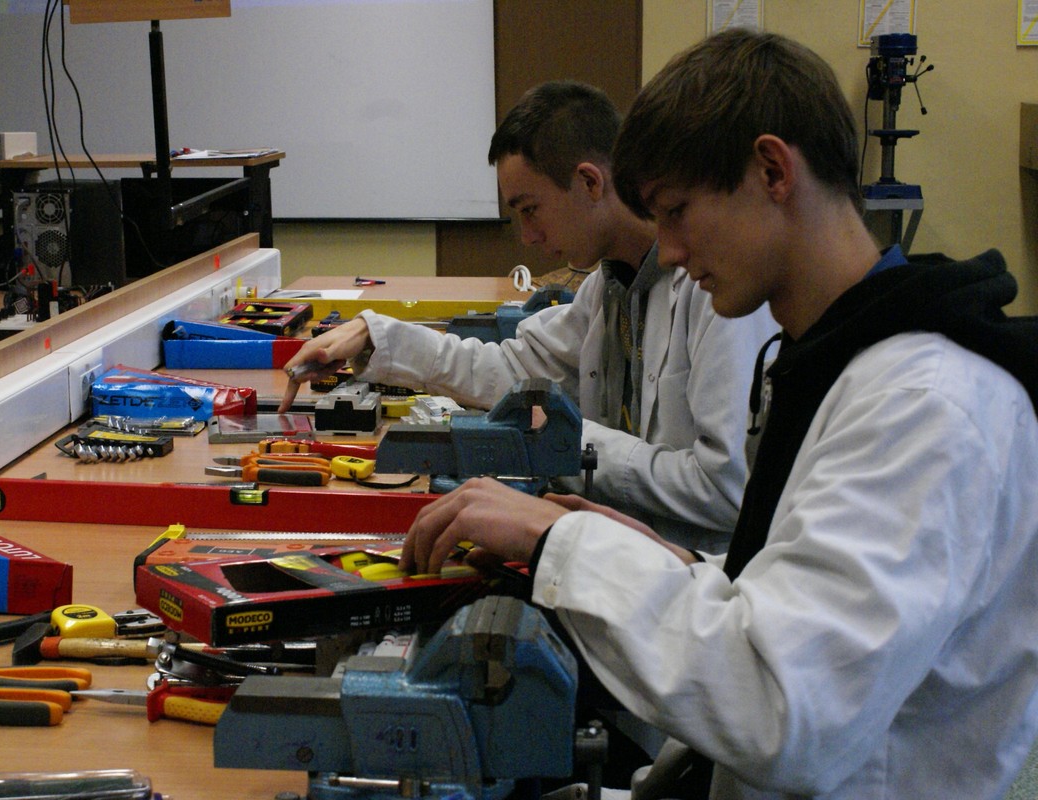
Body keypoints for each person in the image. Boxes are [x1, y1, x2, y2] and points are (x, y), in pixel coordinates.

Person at [401, 29, 1038, 800]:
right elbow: (793, 599)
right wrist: (661, 558)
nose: (668, 252)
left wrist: (561, 543)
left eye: (677, 211)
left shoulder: (925, 409)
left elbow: (783, 705)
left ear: (773, 171)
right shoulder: (836, 360)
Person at [280, 80, 779, 552]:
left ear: (589, 182)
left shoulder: (717, 295)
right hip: (619, 555)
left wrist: (571, 442)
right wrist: (374, 335)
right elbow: (513, 369)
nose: (527, 236)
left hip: (690, 575)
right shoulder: (609, 287)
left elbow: (726, 489)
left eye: (530, 209)